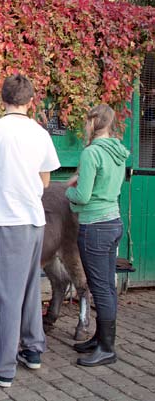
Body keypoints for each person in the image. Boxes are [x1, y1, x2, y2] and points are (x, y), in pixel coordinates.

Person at [0, 74, 60, 388]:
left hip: (6, 223)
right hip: (35, 223)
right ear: (31, 101)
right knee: (30, 287)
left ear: (1, 99)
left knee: (7, 294)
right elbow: (45, 181)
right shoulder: (40, 133)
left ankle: (2, 367)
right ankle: (32, 350)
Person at [65, 104, 129, 367]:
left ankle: (106, 348)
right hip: (113, 222)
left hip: (95, 228)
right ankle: (101, 338)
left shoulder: (92, 153)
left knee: (101, 288)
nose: (84, 127)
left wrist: (67, 191)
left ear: (93, 122)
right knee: (107, 287)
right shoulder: (119, 152)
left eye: (86, 122)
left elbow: (83, 196)